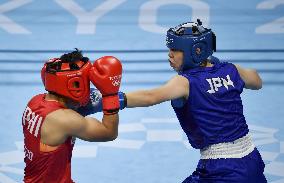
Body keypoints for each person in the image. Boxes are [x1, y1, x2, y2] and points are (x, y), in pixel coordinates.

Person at [84, 20, 267, 182]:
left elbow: (151, 96)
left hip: (220, 169)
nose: (169, 55)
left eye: (175, 50)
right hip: (251, 158)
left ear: (196, 51)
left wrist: (110, 99)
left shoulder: (186, 82)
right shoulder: (231, 69)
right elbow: (257, 81)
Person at [21, 49, 123, 183]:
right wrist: (110, 95)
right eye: (85, 81)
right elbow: (109, 133)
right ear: (74, 83)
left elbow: (144, 97)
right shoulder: (64, 119)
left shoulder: (35, 101)